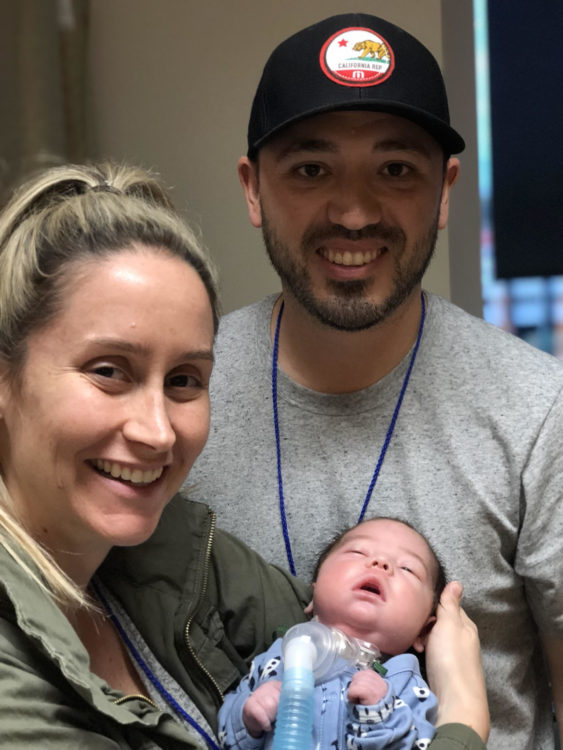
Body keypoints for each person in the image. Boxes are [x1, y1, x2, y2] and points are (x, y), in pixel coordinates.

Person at [0, 163, 488, 749]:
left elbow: (329, 619)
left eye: (184, 380)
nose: (158, 432)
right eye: (108, 371)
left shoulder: (175, 553)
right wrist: (463, 716)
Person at [187, 12, 563, 750]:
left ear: (444, 191)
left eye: (395, 170)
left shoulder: (539, 411)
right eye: (309, 169)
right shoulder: (174, 398)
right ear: (252, 187)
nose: (353, 213)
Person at [218, 517, 447, 749]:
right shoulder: (280, 656)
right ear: (314, 595)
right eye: (358, 552)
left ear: (423, 632)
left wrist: (381, 715)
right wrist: (248, 720)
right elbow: (225, 734)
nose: (381, 562)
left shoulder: (406, 685)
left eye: (408, 569)